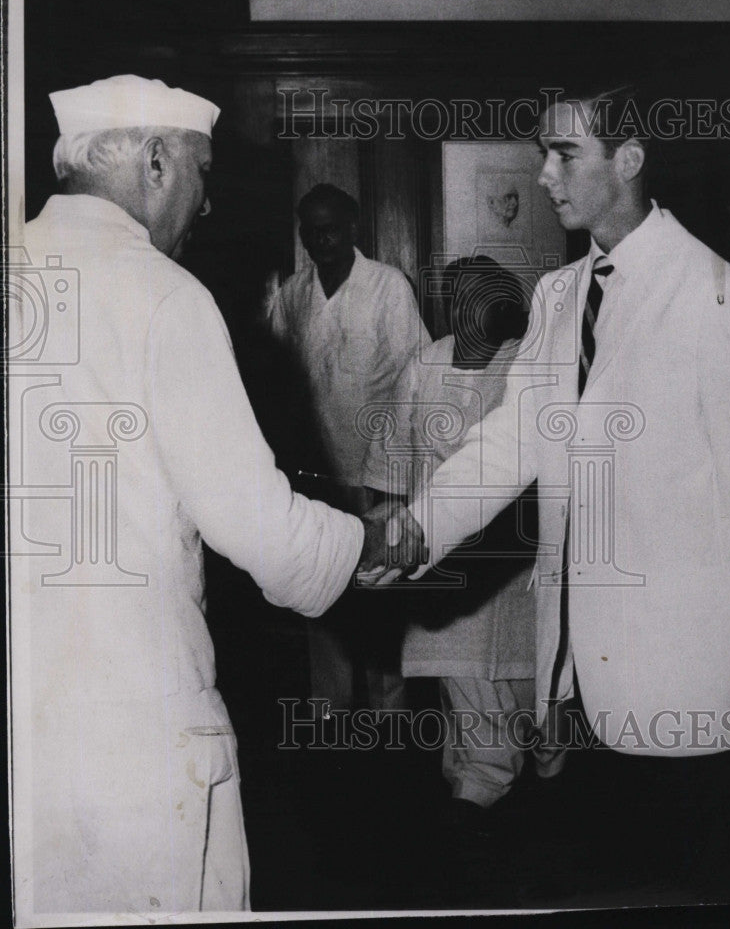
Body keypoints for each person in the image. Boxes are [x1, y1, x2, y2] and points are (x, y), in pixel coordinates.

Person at [361, 84, 730, 892]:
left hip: (692, 682)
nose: (545, 174)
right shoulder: (556, 298)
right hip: (575, 675)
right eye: (542, 153)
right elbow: (511, 440)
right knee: (602, 881)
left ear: (629, 159)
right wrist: (417, 528)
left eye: (564, 154)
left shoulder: (717, 295)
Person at [14, 75, 367, 914]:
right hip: (135, 739)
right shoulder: (167, 297)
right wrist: (368, 542)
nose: (206, 206)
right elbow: (264, 535)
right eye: (205, 176)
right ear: (159, 160)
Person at [363, 256, 563, 824]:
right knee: (470, 697)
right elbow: (393, 460)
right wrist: (386, 526)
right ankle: (472, 814)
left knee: (530, 696)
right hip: (445, 558)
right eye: (456, 297)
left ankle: (539, 787)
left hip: (515, 564)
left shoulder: (525, 364)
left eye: (479, 297)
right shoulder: (424, 364)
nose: (465, 310)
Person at [270, 183, 430, 716]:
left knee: (378, 591)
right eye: (310, 230)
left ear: (354, 225)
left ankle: (391, 715)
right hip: (315, 476)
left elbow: (417, 374)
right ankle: (329, 711)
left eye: (331, 228)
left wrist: (393, 470)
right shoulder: (293, 293)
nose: (321, 240)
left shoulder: (388, 286)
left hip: (378, 470)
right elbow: (280, 384)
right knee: (322, 583)